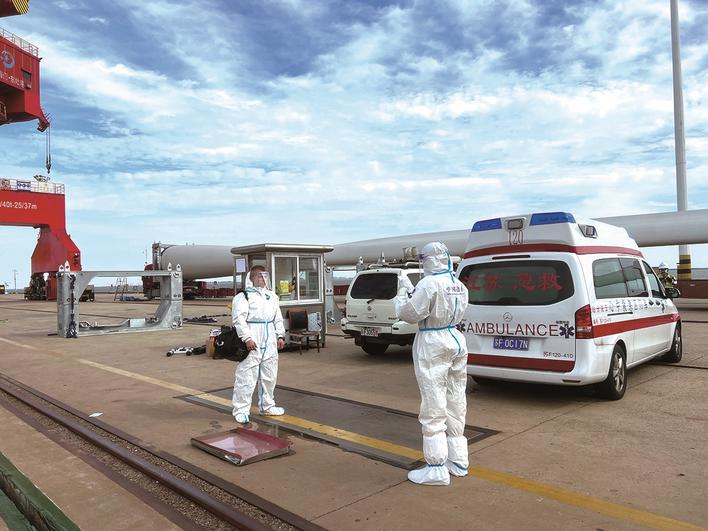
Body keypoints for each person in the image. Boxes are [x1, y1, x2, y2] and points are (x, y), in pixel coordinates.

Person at [394, 242, 469, 486]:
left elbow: (409, 314)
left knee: (433, 401)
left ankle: (436, 468)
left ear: (428, 260)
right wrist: (413, 290)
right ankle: (458, 460)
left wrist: (402, 295)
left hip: (433, 342)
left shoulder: (429, 284)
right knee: (456, 399)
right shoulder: (459, 284)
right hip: (456, 338)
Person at [231, 265, 286, 424]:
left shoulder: (272, 296)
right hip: (253, 337)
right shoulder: (244, 296)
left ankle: (267, 406)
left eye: (264, 276)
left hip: (269, 340)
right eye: (258, 276)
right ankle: (241, 410)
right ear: (252, 278)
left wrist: (280, 335)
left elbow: (277, 318)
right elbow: (239, 319)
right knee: (247, 376)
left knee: (269, 375)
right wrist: (247, 338)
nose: (262, 279)